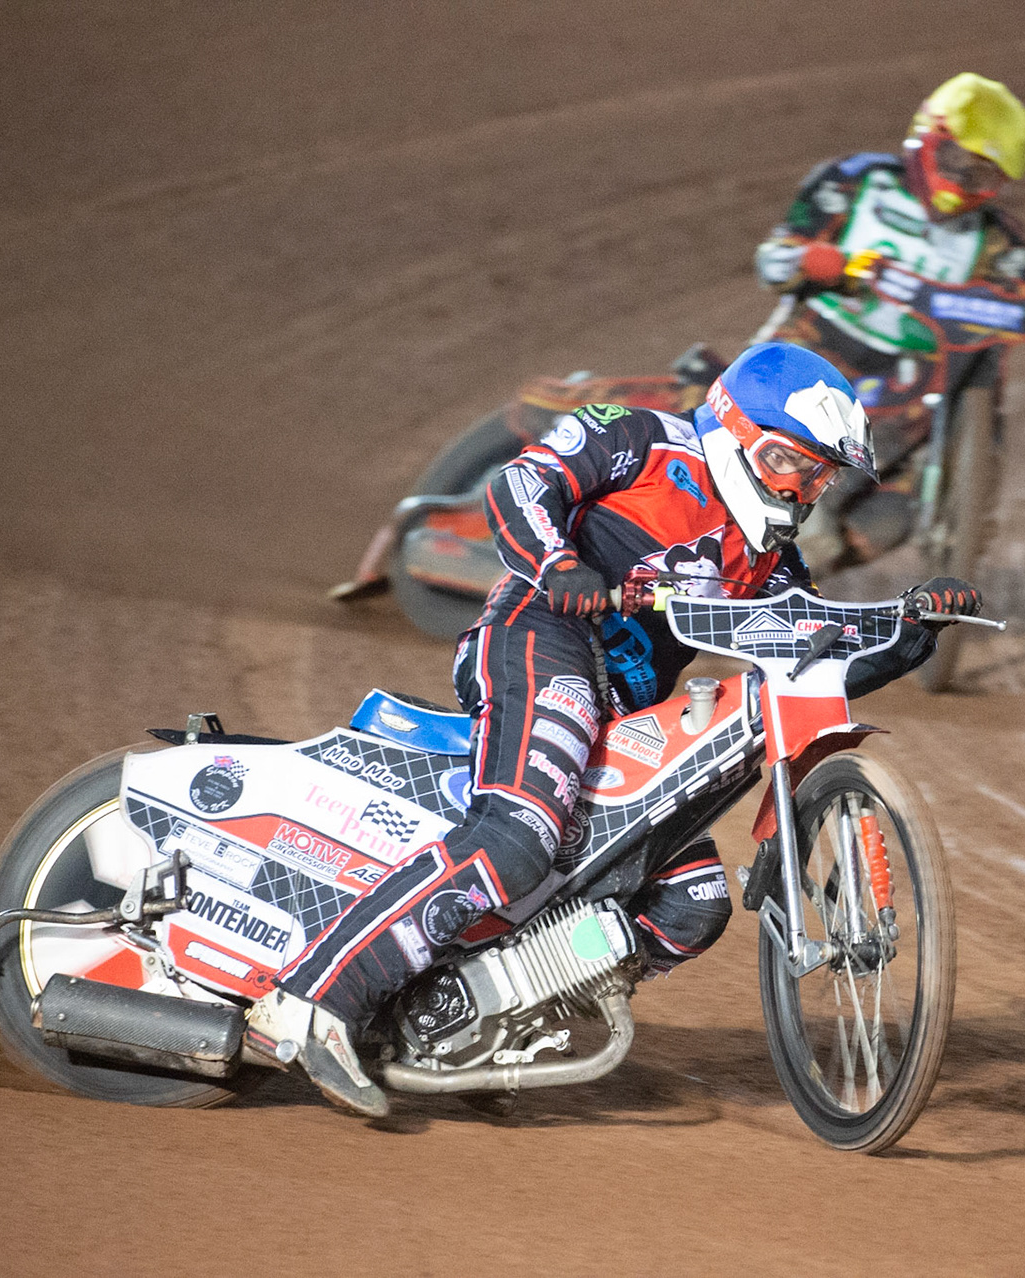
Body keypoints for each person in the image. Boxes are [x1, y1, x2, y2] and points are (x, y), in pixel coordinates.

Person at [248, 342, 981, 1116]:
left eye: (820, 477)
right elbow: (521, 482)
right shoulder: (640, 439)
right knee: (520, 833)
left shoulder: (773, 563)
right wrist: (559, 564)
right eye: (792, 464)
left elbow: (811, 664)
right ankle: (310, 1003)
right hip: (538, 640)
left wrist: (908, 633)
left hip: (624, 712)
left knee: (691, 902)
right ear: (737, 432)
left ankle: (486, 1020)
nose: (805, 490)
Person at [752, 72, 1025, 565]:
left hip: (915, 387)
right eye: (957, 161)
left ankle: (793, 575)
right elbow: (773, 257)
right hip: (818, 346)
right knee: (747, 447)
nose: (963, 182)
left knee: (880, 527)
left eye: (982, 175)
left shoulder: (996, 239)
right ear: (927, 137)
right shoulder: (856, 180)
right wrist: (807, 260)